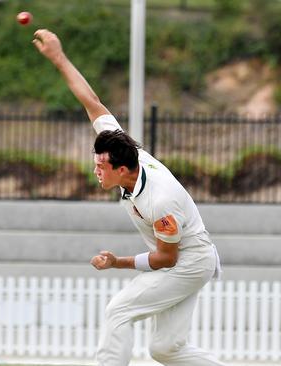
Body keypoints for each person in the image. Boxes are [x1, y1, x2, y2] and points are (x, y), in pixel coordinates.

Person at [33, 29, 224, 366]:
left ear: (123, 169)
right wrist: (59, 59)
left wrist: (118, 262)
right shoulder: (126, 152)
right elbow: (92, 103)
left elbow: (166, 259)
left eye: (102, 167)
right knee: (166, 349)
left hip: (189, 261)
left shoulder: (159, 201)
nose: (96, 171)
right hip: (185, 257)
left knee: (119, 310)